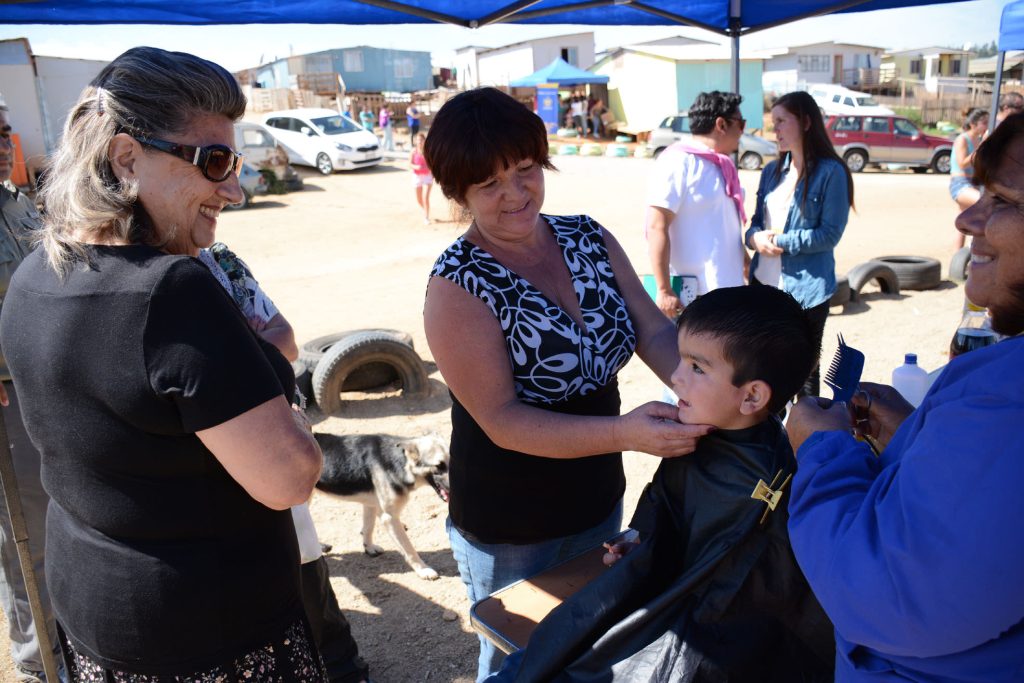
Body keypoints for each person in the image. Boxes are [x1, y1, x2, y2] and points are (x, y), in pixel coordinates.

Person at [0, 47, 326, 681]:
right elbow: (290, 477)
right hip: (207, 634)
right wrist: (290, 410)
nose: (232, 188)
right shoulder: (173, 290)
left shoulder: (38, 272)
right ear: (126, 158)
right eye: (214, 162)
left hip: (96, 615)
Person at [421, 86, 713, 682]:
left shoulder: (587, 237)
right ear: (458, 195)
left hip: (595, 495)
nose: (515, 194)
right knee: (517, 658)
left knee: (586, 638)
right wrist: (627, 433)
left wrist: (702, 388)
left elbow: (653, 331)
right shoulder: (457, 287)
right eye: (489, 184)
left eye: (524, 170)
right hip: (509, 520)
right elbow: (503, 421)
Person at [784, 112, 1024, 683]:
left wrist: (822, 453)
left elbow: (887, 596)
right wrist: (914, 439)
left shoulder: (1006, 402)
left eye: (1004, 200)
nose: (968, 218)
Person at [494, 285, 833, 682]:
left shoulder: (775, 483)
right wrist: (642, 542)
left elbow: (750, 594)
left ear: (752, 396)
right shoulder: (697, 437)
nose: (675, 376)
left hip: (709, 634)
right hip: (658, 595)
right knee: (543, 658)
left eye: (697, 367)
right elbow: (671, 509)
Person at [198, 243, 371, 683]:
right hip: (211, 453)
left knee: (303, 548)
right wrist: (250, 351)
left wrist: (218, 365)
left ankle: (341, 663)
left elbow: (287, 340)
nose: (229, 192)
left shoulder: (219, 260)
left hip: (269, 432)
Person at [0, 106, 61, 683]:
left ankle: (61, 641)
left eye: (2, 132)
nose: (1, 144)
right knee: (24, 536)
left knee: (59, 515)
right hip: (6, 400)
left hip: (43, 386)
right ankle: (39, 659)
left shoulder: (18, 202)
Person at [744, 90, 853, 397]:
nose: (774, 129)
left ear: (806, 122)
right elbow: (754, 223)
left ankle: (806, 439)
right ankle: (774, 438)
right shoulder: (771, 171)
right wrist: (753, 238)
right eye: (772, 121)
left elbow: (830, 234)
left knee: (803, 375)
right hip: (763, 286)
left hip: (806, 290)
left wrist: (780, 241)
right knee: (763, 367)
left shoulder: (832, 173)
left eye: (781, 121)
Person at [645, 90, 748, 320]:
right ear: (721, 124)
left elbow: (721, 222)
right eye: (740, 124)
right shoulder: (677, 161)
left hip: (730, 291)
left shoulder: (722, 164)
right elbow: (656, 226)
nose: (743, 132)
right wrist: (663, 290)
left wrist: (743, 258)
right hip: (695, 298)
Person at [949, 108, 988, 246]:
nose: (987, 126)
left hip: (973, 183)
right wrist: (981, 149)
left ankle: (958, 259)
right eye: (984, 123)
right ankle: (976, 249)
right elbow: (962, 163)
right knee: (985, 205)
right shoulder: (963, 139)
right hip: (960, 183)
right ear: (973, 124)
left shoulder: (977, 140)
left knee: (964, 221)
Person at [410, 132, 433, 224]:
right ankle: (426, 210)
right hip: (417, 176)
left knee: (425, 197)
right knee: (419, 200)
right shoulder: (413, 151)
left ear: (424, 141)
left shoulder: (428, 151)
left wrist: (430, 169)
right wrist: (416, 167)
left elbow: (433, 164)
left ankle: (426, 217)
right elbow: (409, 164)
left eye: (421, 140)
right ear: (416, 141)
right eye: (418, 140)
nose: (420, 142)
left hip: (427, 176)